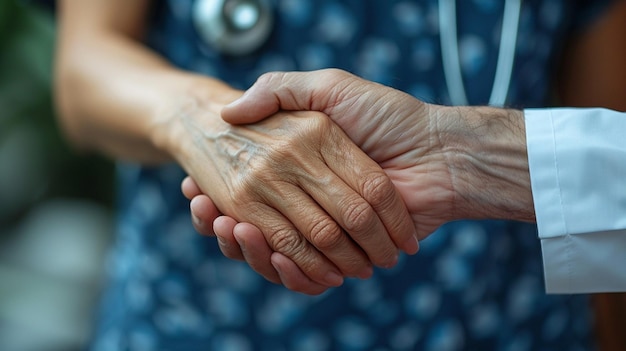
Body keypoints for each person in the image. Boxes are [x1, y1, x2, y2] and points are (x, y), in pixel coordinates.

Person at [54, 0, 626, 350]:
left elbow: (604, 123)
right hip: (210, 324)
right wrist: (203, 119)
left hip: (508, 318)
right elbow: (84, 66)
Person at [185, 69, 626, 295]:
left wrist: (458, 156)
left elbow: (603, 108)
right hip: (205, 304)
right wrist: (199, 119)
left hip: (512, 294)